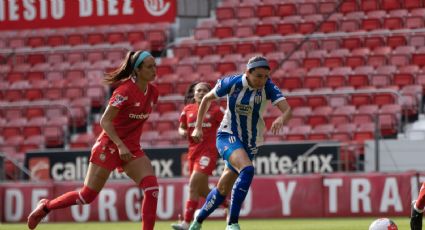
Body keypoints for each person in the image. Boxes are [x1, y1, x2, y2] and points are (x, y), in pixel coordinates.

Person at [27, 51, 159, 230]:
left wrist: (128, 145)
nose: (154, 70)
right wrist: (120, 145)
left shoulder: (153, 92)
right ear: (137, 70)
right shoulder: (124, 91)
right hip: (109, 145)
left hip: (132, 148)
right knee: (86, 196)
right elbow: (105, 120)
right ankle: (46, 207)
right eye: (150, 67)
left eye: (155, 65)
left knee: (151, 188)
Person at [188, 56, 292, 230]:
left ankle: (197, 222)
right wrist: (197, 127)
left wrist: (282, 118)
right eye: (259, 76)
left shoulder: (268, 87)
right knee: (248, 169)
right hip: (227, 134)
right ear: (247, 72)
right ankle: (233, 223)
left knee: (222, 189)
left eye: (266, 76)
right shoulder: (232, 83)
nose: (263, 80)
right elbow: (206, 99)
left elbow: (288, 110)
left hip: (250, 142)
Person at [171, 82, 229, 230]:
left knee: (192, 185)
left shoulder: (216, 110)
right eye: (198, 91)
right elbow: (181, 127)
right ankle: (227, 203)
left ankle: (186, 223)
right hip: (192, 153)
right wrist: (182, 132)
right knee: (201, 189)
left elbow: (228, 125)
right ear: (194, 94)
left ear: (210, 94)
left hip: (208, 152)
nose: (201, 93)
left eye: (204, 91)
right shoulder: (187, 110)